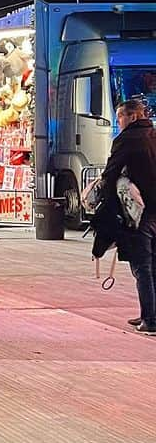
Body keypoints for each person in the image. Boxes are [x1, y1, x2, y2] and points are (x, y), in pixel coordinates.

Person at [101, 98, 156, 334]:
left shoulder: (126, 140)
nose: (118, 122)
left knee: (141, 265)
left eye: (119, 117)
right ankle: (149, 314)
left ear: (132, 116)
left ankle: (150, 320)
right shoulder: (154, 135)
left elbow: (111, 173)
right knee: (153, 264)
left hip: (140, 212)